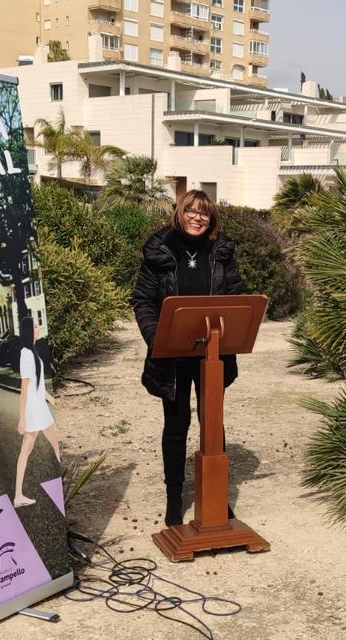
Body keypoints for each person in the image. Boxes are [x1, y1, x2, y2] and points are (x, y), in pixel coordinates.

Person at [131, 189, 245, 527]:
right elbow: (143, 300)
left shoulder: (221, 251)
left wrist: (230, 329)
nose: (198, 218)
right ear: (180, 213)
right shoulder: (159, 249)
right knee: (176, 424)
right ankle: (174, 498)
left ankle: (215, 495)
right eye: (192, 212)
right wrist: (158, 340)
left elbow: (235, 295)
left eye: (205, 213)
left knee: (212, 424)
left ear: (212, 219)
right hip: (172, 355)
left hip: (212, 352)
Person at [12, 316, 62, 508]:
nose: (38, 327)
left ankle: (18, 496)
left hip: (39, 407)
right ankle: (18, 496)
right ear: (28, 331)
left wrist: (51, 399)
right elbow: (24, 389)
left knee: (53, 444)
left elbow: (37, 385)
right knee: (28, 450)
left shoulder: (32, 352)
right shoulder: (26, 354)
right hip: (33, 410)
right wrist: (22, 419)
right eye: (35, 325)